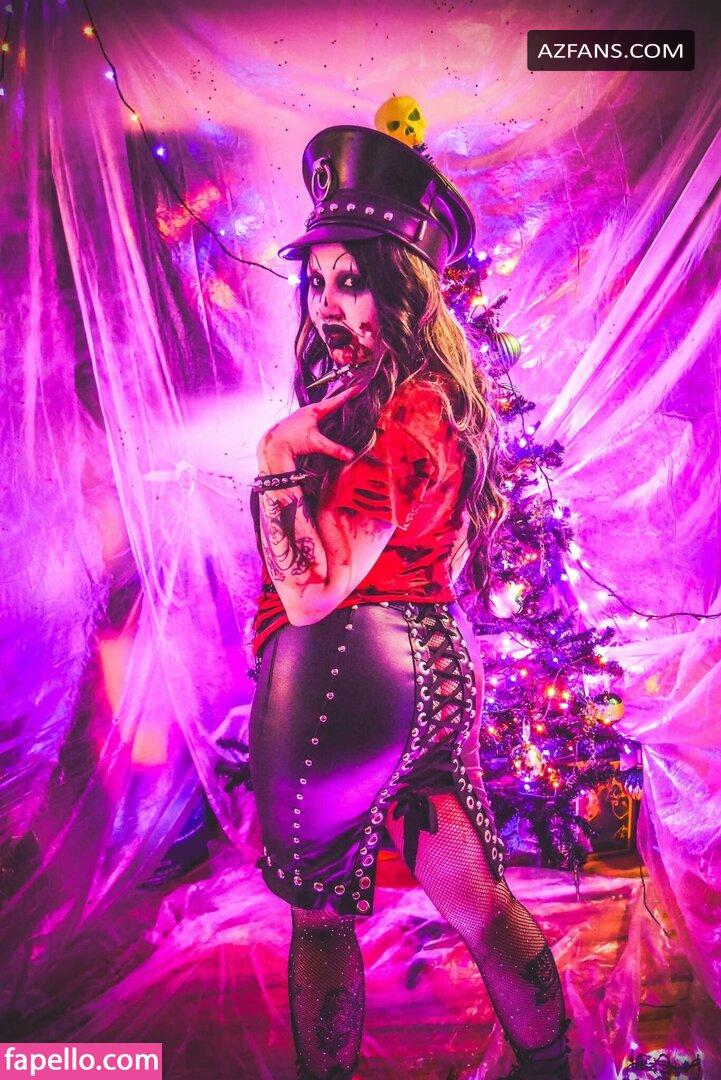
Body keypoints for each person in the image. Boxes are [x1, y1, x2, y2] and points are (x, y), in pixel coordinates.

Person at [247, 125, 572, 1079]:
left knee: (318, 920)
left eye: (352, 282)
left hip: (341, 672)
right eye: (317, 281)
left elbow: (312, 593)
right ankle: (553, 1069)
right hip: (432, 666)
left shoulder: (407, 407)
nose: (327, 304)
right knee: (479, 903)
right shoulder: (414, 393)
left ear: (401, 287)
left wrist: (274, 460)